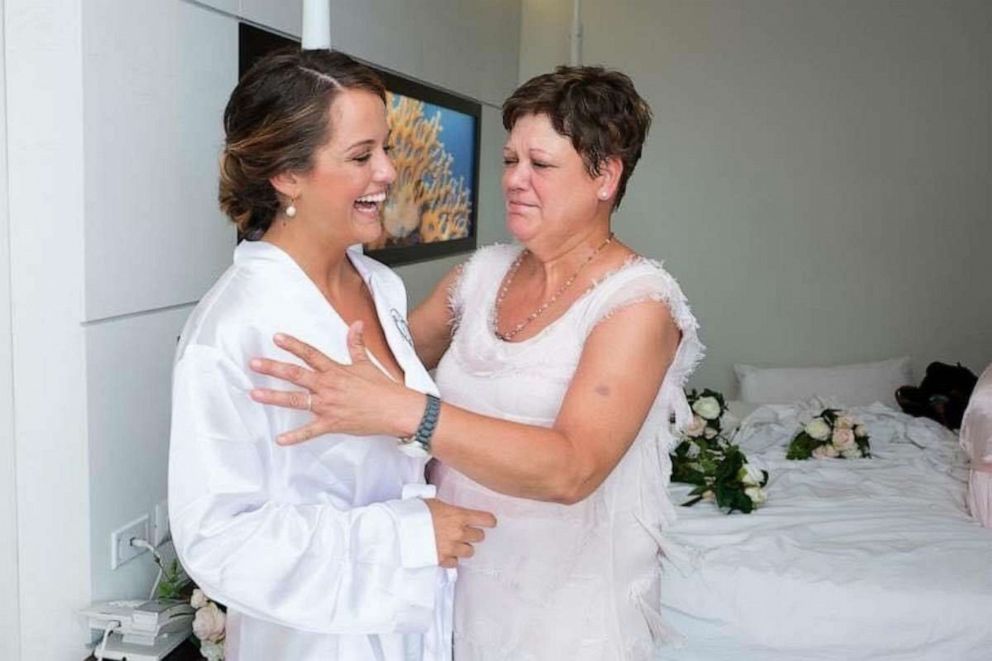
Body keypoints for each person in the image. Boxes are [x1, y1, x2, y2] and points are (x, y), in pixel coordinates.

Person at [250, 65, 704, 660]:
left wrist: (414, 414)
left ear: (605, 175)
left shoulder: (637, 304)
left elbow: (574, 469)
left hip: (566, 614)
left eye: (540, 166)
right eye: (510, 160)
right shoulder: (478, 277)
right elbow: (380, 374)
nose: (515, 180)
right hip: (450, 591)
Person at [168, 49, 496, 661]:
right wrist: (405, 538)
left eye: (387, 147)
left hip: (412, 616)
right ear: (287, 174)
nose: (389, 172)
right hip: (315, 641)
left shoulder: (380, 285)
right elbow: (217, 539)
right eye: (361, 155)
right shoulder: (235, 328)